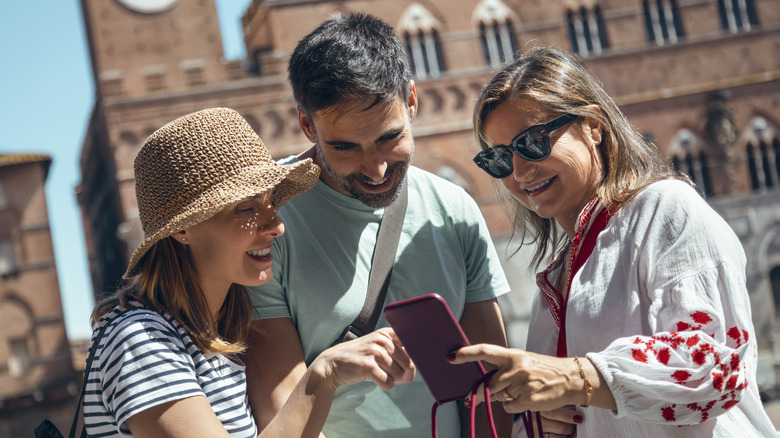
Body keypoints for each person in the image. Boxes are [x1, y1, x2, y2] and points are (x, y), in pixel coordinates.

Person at [447, 46, 780, 437]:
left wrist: (576, 378)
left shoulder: (665, 209)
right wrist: (542, 422)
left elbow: (716, 368)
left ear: (593, 126)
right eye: (500, 159)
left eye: (533, 142)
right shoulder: (556, 276)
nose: (519, 171)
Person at [243, 13, 513, 438]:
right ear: (306, 125)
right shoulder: (267, 219)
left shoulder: (455, 210)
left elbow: (491, 393)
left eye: (389, 138)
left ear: (411, 102)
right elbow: (279, 409)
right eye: (346, 147)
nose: (377, 167)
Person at [82, 107, 416, 438]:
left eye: (272, 203)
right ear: (182, 230)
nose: (277, 226)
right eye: (246, 208)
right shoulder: (140, 338)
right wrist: (323, 374)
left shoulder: (219, 333)